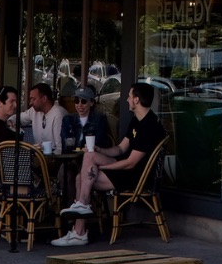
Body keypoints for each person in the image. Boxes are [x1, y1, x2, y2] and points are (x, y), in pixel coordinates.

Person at [52, 84, 166, 247]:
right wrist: (100, 150)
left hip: (136, 176)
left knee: (81, 178)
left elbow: (131, 163)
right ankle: (81, 213)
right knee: (89, 159)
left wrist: (102, 168)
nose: (126, 99)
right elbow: (120, 148)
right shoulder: (136, 121)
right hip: (125, 169)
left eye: (129, 96)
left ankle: (79, 230)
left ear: (136, 99)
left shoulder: (149, 126)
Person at [12, 83, 65, 151]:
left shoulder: (58, 114)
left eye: (33, 99)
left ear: (44, 98)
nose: (30, 103)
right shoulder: (33, 111)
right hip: (38, 157)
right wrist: (10, 122)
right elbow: (18, 118)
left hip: (53, 159)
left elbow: (60, 148)